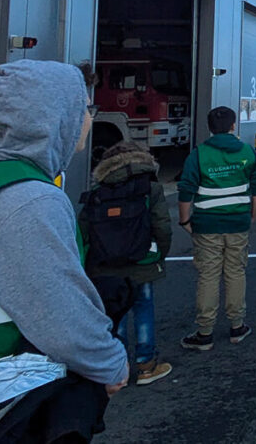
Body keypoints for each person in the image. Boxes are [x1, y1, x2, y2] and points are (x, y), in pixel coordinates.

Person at [0, 60, 128, 442]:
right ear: (57, 118)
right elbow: (58, 314)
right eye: (85, 109)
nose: (90, 119)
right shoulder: (27, 200)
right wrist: (110, 363)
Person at [80, 141, 173, 384]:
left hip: (105, 263)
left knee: (114, 313)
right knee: (143, 308)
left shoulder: (98, 190)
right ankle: (146, 365)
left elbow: (84, 229)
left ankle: (117, 369)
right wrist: (160, 254)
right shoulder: (149, 187)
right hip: (142, 260)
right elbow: (162, 225)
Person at [177, 107, 256, 350]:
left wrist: (185, 221)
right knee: (236, 271)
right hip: (238, 222)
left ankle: (204, 332)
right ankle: (237, 325)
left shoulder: (199, 154)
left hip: (207, 224)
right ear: (233, 126)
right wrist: (252, 217)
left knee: (208, 274)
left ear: (210, 128)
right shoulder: (247, 152)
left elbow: (186, 190)